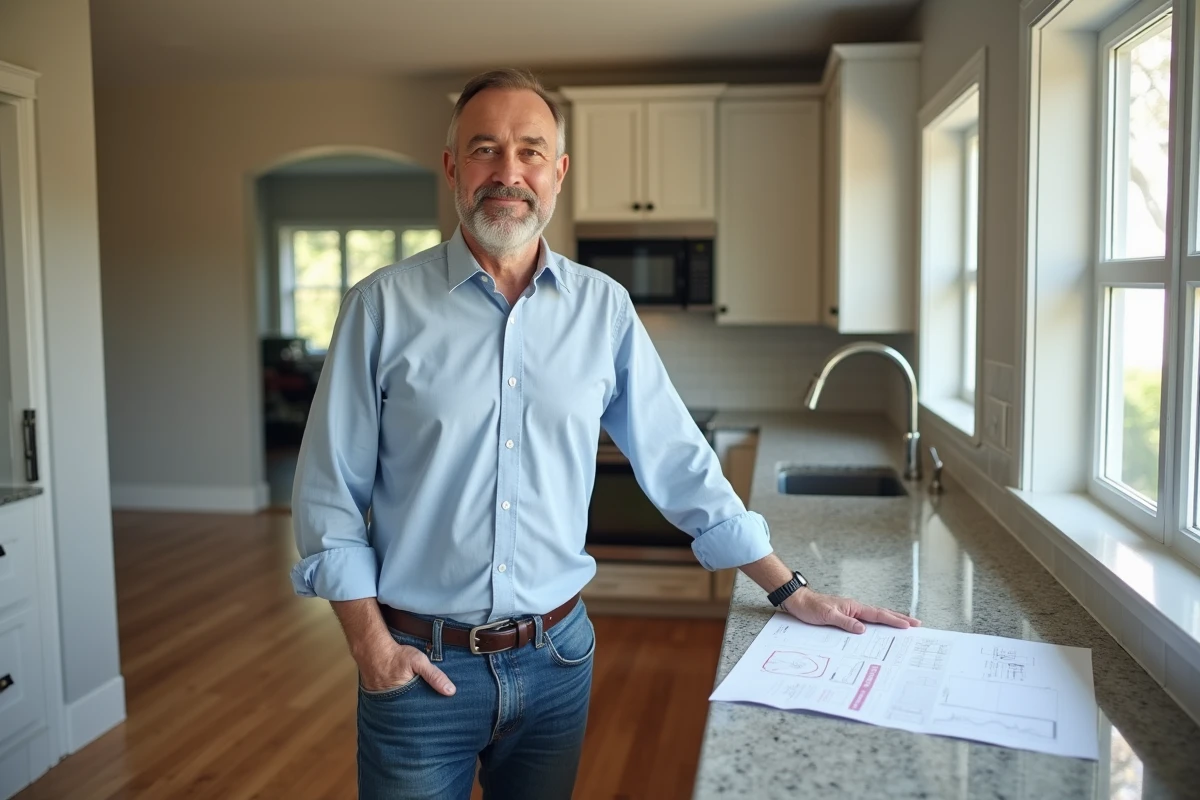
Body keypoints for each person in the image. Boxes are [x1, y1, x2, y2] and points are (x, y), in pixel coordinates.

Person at [290, 67, 920, 800]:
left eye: (530, 151)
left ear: (558, 174)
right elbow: (329, 494)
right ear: (453, 167)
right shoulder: (381, 308)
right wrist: (371, 648)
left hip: (556, 662)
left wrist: (788, 590)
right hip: (418, 666)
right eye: (486, 149)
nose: (508, 172)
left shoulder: (604, 309)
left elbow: (678, 459)